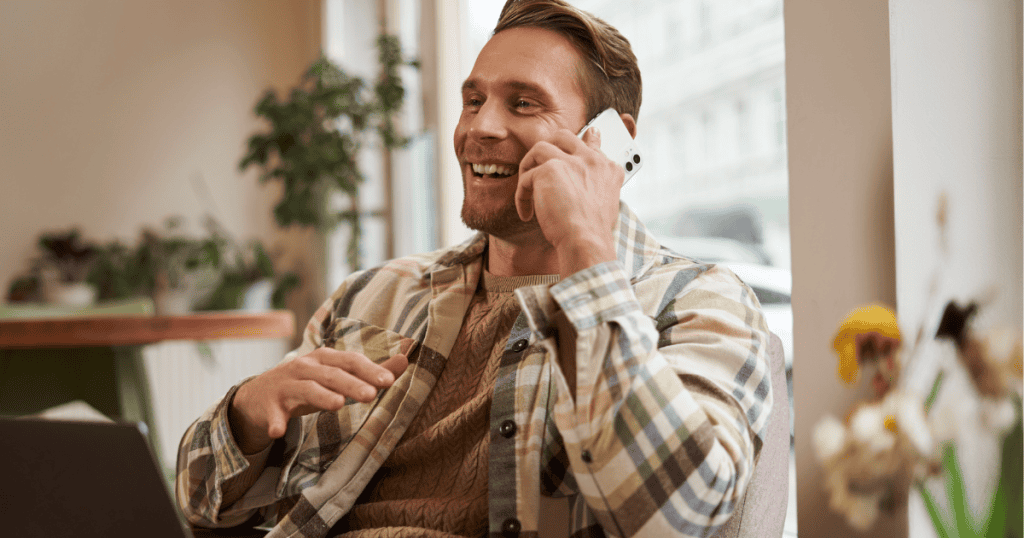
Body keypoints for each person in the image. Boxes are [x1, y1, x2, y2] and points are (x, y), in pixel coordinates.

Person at [176, 1, 774, 536]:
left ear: (608, 143)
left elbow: (680, 515)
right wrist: (248, 417)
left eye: (522, 103)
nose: (479, 128)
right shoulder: (369, 297)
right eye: (472, 100)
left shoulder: (699, 304)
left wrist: (587, 249)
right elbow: (201, 506)